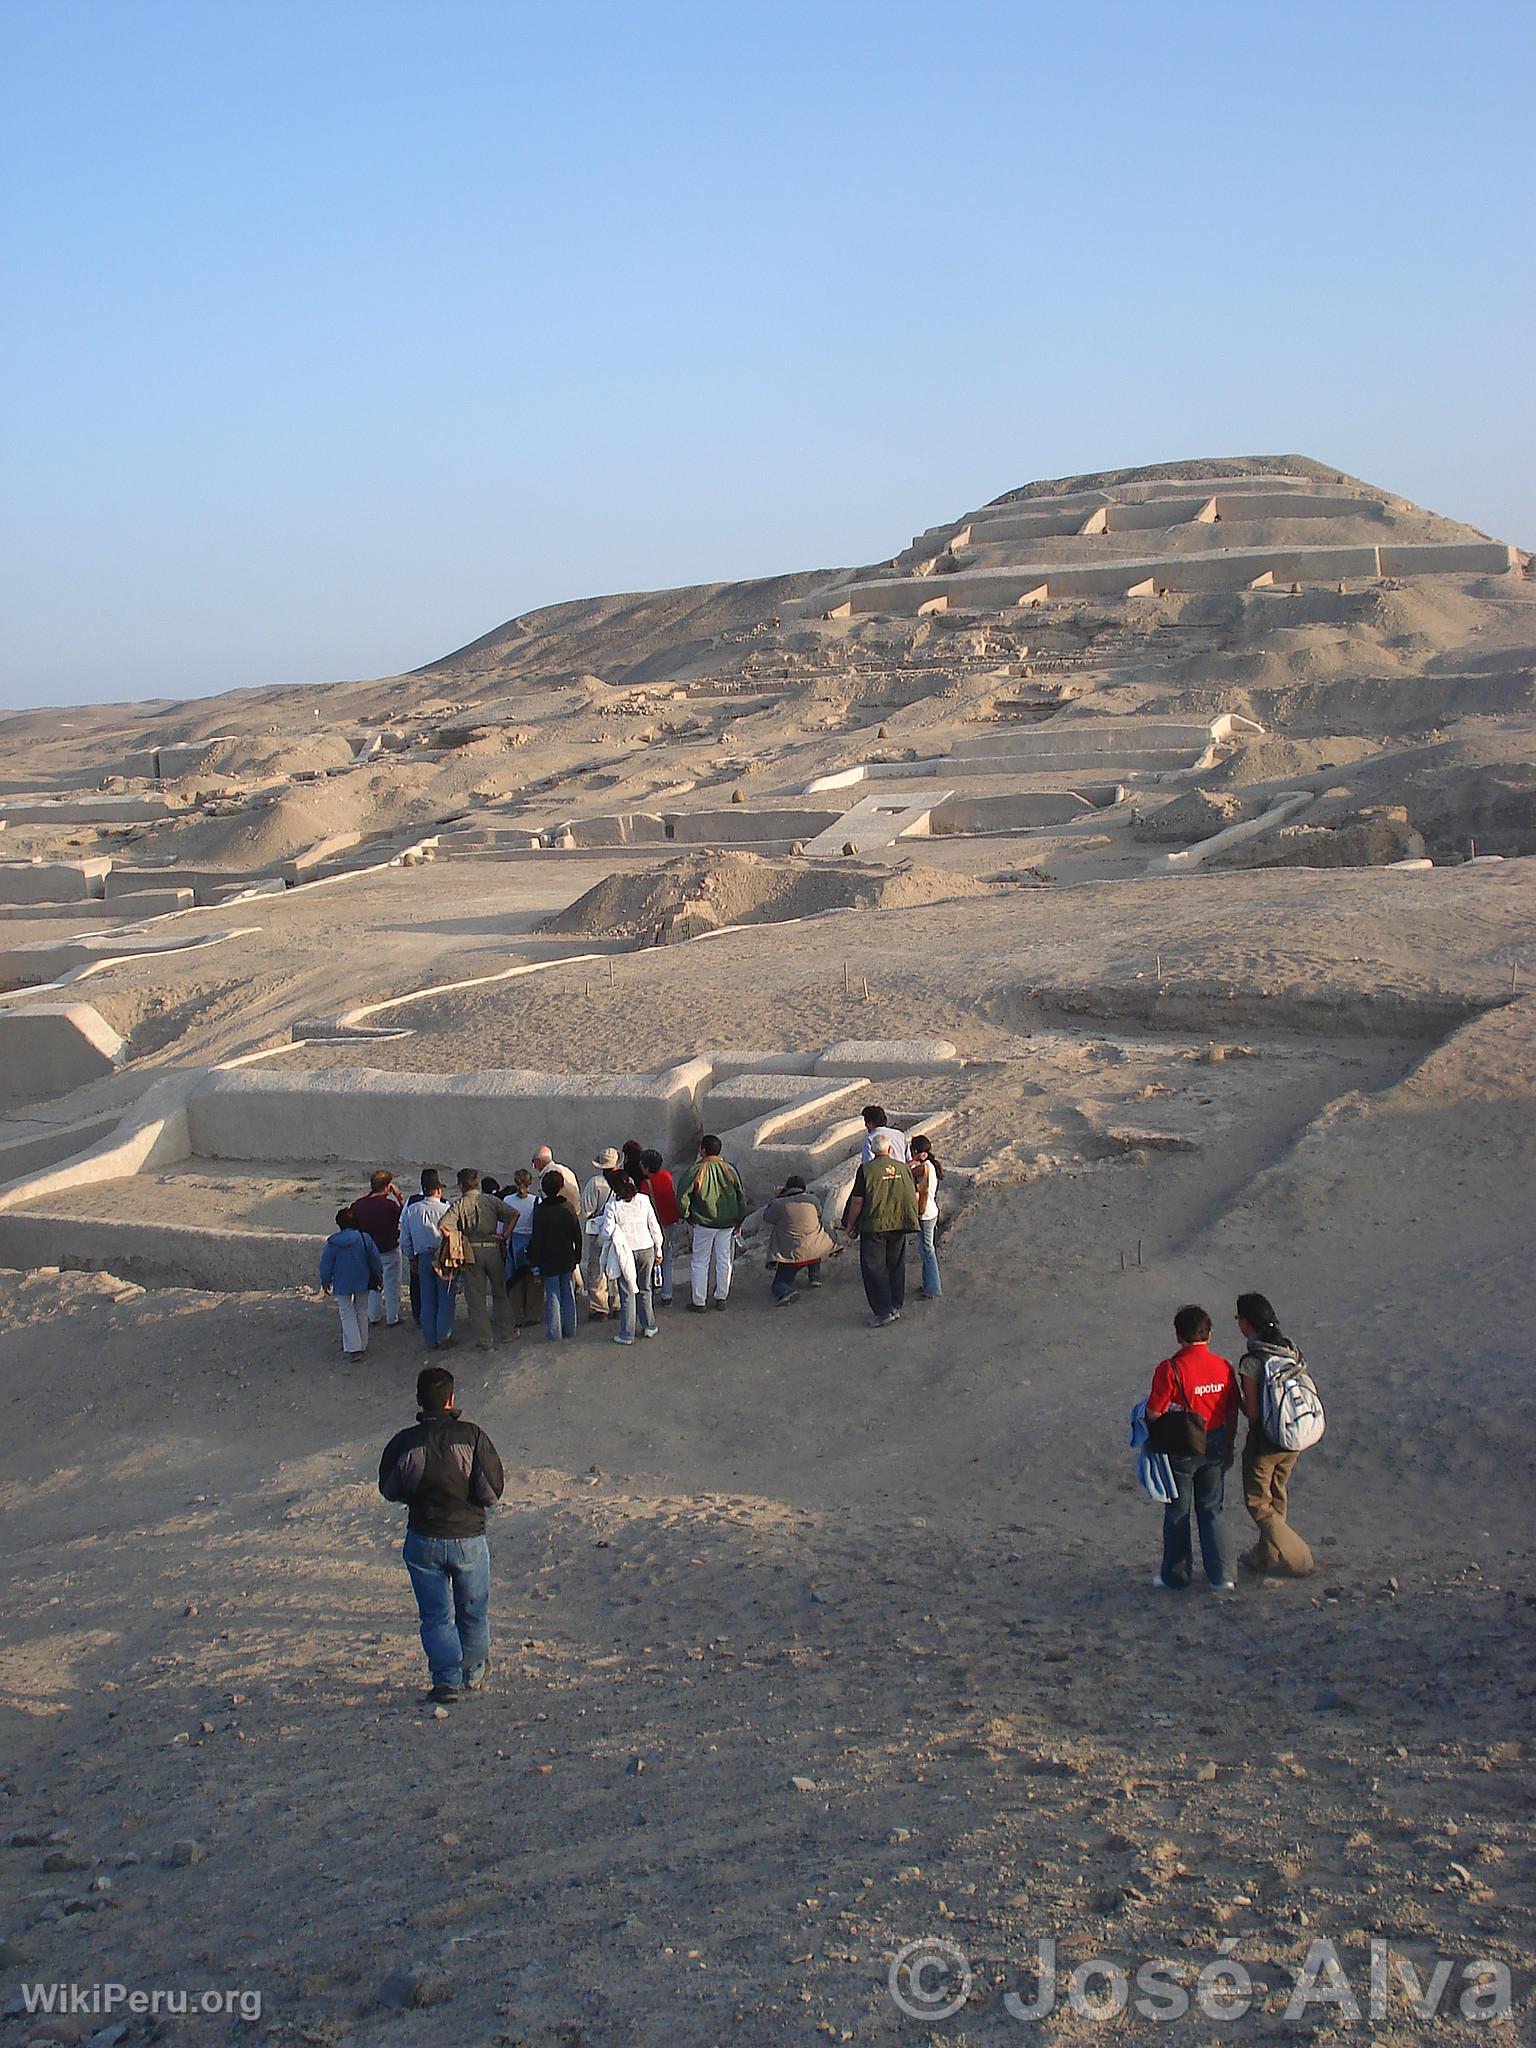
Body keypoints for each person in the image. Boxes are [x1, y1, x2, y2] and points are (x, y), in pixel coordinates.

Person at [377, 1365, 505, 1704]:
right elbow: (492, 1492)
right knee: (473, 1610)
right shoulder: (472, 1435)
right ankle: (474, 1672)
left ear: (419, 1401)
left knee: (435, 1615)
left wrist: (415, 1496)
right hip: (468, 1537)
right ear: (451, 1399)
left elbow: (389, 1489)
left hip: (423, 1536)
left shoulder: (404, 1442)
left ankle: (446, 1680)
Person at [1145, 1304, 1240, 1592]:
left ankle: (1176, 1575)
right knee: (1212, 1508)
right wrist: (1229, 1443)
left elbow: (1154, 1412)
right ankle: (1222, 1576)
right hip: (1216, 1440)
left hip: (1183, 1444)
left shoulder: (1170, 1368)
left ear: (1178, 1336)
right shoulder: (1223, 1366)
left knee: (1178, 1511)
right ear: (1208, 1334)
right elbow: (1232, 1409)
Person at [1235, 1291, 1317, 1578]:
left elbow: (1254, 1412)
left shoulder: (1253, 1361)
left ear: (1247, 1323)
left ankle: (1298, 1557)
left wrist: (1238, 1401)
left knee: (1258, 1502)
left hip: (1265, 1442)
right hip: (1294, 1436)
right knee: (1277, 1494)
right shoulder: (1289, 1350)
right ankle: (1265, 1556)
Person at [842, 1135, 919, 1327]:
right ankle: (895, 1305)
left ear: (871, 1150)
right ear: (890, 1149)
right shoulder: (903, 1168)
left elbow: (857, 1201)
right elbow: (914, 1194)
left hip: (874, 1225)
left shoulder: (866, 1170)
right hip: (899, 1223)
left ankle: (882, 1311)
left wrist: (850, 1224)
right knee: (895, 1265)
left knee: (874, 1268)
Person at [441, 1168, 517, 1351]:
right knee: (500, 1291)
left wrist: (457, 1241)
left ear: (461, 1186)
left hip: (471, 1251)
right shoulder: (490, 1200)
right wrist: (504, 1235)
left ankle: (485, 1339)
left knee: (476, 1298)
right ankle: (507, 1331)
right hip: (492, 1248)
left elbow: (443, 1226)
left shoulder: (459, 1204)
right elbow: (514, 1214)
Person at [677, 1134, 747, 1311]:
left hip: (703, 1223)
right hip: (728, 1223)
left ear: (703, 1150)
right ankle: (721, 1296)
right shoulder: (730, 1170)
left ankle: (699, 1301)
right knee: (724, 1260)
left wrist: (687, 1216)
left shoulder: (696, 1171)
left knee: (700, 1261)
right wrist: (740, 1218)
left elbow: (682, 1197)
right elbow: (740, 1196)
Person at [599, 1170, 664, 1344]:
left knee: (627, 1292)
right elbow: (654, 1225)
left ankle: (627, 1333)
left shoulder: (612, 1206)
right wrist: (659, 1249)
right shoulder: (644, 1200)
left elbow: (606, 1232)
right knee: (645, 1288)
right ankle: (649, 1326)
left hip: (625, 1252)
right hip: (647, 1248)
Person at [400, 1168, 455, 1350]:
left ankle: (429, 1337)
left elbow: (405, 1239)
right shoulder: (447, 1209)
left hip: (422, 1257)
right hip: (443, 1257)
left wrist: (411, 1258)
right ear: (438, 1189)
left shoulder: (412, 1209)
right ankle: (443, 1336)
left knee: (427, 1298)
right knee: (445, 1297)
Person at [319, 1205, 383, 1356]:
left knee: (346, 1312)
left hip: (342, 1282)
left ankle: (354, 1347)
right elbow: (375, 1260)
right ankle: (362, 1344)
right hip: (363, 1279)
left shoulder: (333, 1243)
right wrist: (379, 1278)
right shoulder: (364, 1238)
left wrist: (325, 1281)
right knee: (361, 1311)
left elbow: (326, 1265)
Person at [762, 1175, 834, 1305]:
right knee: (812, 1233)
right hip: (816, 1250)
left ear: (786, 1188)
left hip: (792, 1255)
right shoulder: (813, 1200)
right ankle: (814, 1276)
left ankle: (786, 1292)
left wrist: (778, 1196)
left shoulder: (779, 1203)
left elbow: (767, 1217)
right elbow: (819, 1213)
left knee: (778, 1284)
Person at [528, 1168, 583, 1339]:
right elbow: (577, 1234)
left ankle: (554, 1332)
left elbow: (536, 1238)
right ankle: (570, 1329)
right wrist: (577, 1256)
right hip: (566, 1257)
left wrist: (534, 1262)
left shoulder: (541, 1211)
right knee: (567, 1292)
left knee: (552, 1294)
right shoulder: (568, 1207)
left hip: (547, 1259)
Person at [352, 1168, 406, 1327]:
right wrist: (399, 1197)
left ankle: (373, 1315)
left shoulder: (358, 1205)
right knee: (392, 1285)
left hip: (368, 1251)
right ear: (387, 1186)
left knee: (373, 1285)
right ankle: (392, 1317)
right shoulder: (389, 1206)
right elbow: (405, 1216)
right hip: (388, 1249)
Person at [581, 1149, 622, 1319]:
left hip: (599, 1230)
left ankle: (599, 1307)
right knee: (617, 1265)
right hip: (619, 1231)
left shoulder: (595, 1183)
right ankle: (617, 1302)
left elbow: (586, 1210)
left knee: (597, 1268)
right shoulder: (627, 1180)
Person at [398, 1168, 440, 1328]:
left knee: (419, 1287)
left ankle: (420, 1317)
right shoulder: (444, 1204)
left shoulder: (412, 1203)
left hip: (418, 1253)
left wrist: (410, 1256)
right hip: (439, 1253)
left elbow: (404, 1232)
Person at [641, 1147, 680, 1304]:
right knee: (667, 1258)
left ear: (646, 1167)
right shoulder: (666, 1176)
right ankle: (667, 1294)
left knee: (652, 1259)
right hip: (670, 1223)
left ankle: (652, 1290)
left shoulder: (646, 1185)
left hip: (654, 1226)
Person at [501, 1168, 539, 1328]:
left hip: (514, 1241)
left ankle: (515, 1315)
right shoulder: (536, 1201)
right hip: (531, 1241)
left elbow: (504, 1223)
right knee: (533, 1280)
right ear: (530, 1182)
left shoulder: (508, 1200)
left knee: (514, 1280)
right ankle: (532, 1314)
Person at [908, 1134, 943, 1301]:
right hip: (930, 1212)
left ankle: (933, 1288)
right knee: (925, 1250)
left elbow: (907, 1171)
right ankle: (928, 1284)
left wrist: (912, 1161)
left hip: (926, 1213)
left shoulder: (924, 1167)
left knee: (928, 1250)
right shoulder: (931, 1165)